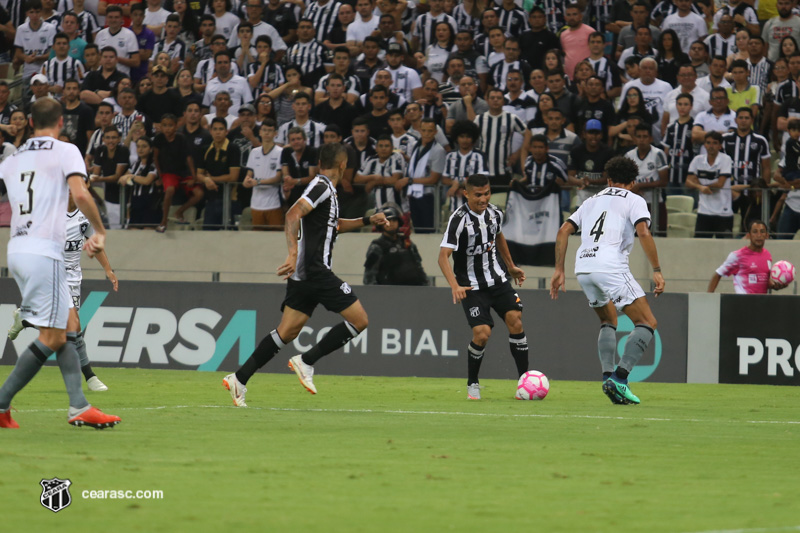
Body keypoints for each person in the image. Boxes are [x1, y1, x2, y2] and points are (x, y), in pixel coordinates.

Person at [223, 143, 388, 406]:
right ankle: (306, 361)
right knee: (360, 320)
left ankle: (239, 379)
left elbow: (335, 226)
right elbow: (292, 213)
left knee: (286, 332)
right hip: (315, 270)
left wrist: (368, 220)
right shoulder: (321, 186)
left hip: (304, 275)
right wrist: (291, 253)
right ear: (343, 165)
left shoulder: (326, 190)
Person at [0, 97, 121, 429]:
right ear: (59, 124)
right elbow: (80, 194)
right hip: (45, 250)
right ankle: (0, 403)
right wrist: (99, 230)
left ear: (28, 123)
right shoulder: (65, 150)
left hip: (18, 248)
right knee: (53, 337)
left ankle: (78, 405)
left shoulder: (12, 159)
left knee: (68, 328)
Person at [550, 155, 665, 405]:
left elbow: (563, 231)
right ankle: (620, 379)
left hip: (583, 266)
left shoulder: (591, 200)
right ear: (633, 182)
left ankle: (607, 379)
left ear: (609, 179)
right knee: (647, 322)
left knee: (608, 319)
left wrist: (559, 269)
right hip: (610, 265)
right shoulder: (635, 199)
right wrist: (656, 269)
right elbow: (643, 231)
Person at [438, 173, 528, 400]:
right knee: (482, 333)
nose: (483, 199)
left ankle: (524, 382)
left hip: (497, 280)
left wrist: (511, 266)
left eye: (486, 193)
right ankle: (472, 383)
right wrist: (454, 285)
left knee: (515, 319)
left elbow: (499, 237)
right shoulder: (458, 219)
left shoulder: (495, 213)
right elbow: (443, 256)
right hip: (471, 286)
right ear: (466, 193)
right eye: (478, 195)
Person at [153, 113, 203, 232]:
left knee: (199, 194)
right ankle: (163, 221)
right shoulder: (159, 139)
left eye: (170, 125)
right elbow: (155, 158)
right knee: (169, 190)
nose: (167, 128)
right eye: (164, 125)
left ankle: (179, 212)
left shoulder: (181, 138)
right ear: (161, 126)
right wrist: (160, 176)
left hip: (183, 173)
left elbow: (188, 158)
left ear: (176, 126)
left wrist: (193, 177)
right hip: (169, 173)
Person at [708, 219, 788, 294]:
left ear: (767, 235)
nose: (759, 235)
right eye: (755, 232)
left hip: (762, 304)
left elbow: (762, 280)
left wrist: (775, 286)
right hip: (743, 304)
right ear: (749, 235)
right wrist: (708, 297)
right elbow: (718, 274)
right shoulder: (737, 256)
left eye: (762, 232)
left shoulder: (767, 255)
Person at [395, 118, 445, 232]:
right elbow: (416, 165)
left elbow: (434, 179)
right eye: (424, 130)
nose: (426, 134)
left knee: (429, 229)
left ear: (435, 132)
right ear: (420, 131)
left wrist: (409, 180)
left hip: (428, 196)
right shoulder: (416, 146)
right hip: (414, 194)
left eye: (430, 131)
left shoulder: (438, 150)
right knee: (417, 229)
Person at [363, 203, 428, 285]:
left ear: (399, 222)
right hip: (388, 292)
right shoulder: (377, 247)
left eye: (394, 220)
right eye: (388, 220)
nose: (391, 223)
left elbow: (419, 269)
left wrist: (427, 287)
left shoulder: (408, 244)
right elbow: (369, 277)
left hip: (412, 290)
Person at [687, 131, 734, 238]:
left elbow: (720, 183)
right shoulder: (697, 160)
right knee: (700, 247)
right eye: (708, 143)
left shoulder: (725, 159)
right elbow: (688, 182)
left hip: (723, 213)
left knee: (724, 248)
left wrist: (700, 184)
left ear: (720, 146)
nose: (711, 146)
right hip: (704, 211)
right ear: (704, 145)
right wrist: (700, 187)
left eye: (714, 143)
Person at [197, 117, 241, 230]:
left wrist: (211, 179)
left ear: (226, 131)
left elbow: (233, 177)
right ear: (210, 131)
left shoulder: (233, 148)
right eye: (215, 129)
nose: (217, 132)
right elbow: (199, 174)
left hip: (228, 200)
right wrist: (206, 180)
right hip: (210, 200)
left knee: (229, 237)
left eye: (221, 129)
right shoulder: (205, 149)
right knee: (208, 236)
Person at [243, 118, 284, 230]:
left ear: (275, 133)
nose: (266, 133)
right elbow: (249, 174)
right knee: (258, 239)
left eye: (270, 130)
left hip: (274, 203)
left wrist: (258, 182)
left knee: (275, 238)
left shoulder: (280, 152)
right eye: (264, 130)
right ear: (260, 132)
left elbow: (278, 178)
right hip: (256, 204)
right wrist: (246, 181)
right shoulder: (254, 152)